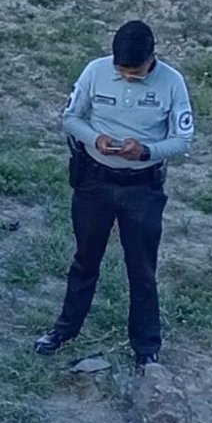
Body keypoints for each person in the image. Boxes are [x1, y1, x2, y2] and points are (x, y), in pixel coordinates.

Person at [34, 20, 194, 369]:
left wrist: (147, 151)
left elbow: (183, 140)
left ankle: (146, 346)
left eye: (134, 72)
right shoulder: (95, 71)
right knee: (84, 261)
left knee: (142, 269)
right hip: (95, 183)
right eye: (121, 71)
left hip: (142, 189)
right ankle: (65, 330)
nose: (127, 77)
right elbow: (71, 117)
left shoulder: (172, 83)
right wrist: (96, 139)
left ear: (152, 58)